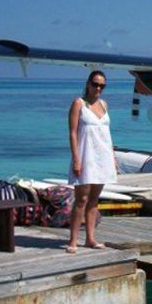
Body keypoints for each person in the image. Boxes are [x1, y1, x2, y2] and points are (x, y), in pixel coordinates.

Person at [66, 70, 117, 253]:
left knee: (94, 200)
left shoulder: (104, 104)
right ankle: (73, 240)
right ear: (88, 83)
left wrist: (113, 157)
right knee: (82, 199)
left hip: (102, 157)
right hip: (85, 155)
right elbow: (72, 133)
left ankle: (90, 239)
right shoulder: (79, 103)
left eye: (102, 85)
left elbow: (107, 135)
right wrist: (76, 159)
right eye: (95, 84)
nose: (98, 88)